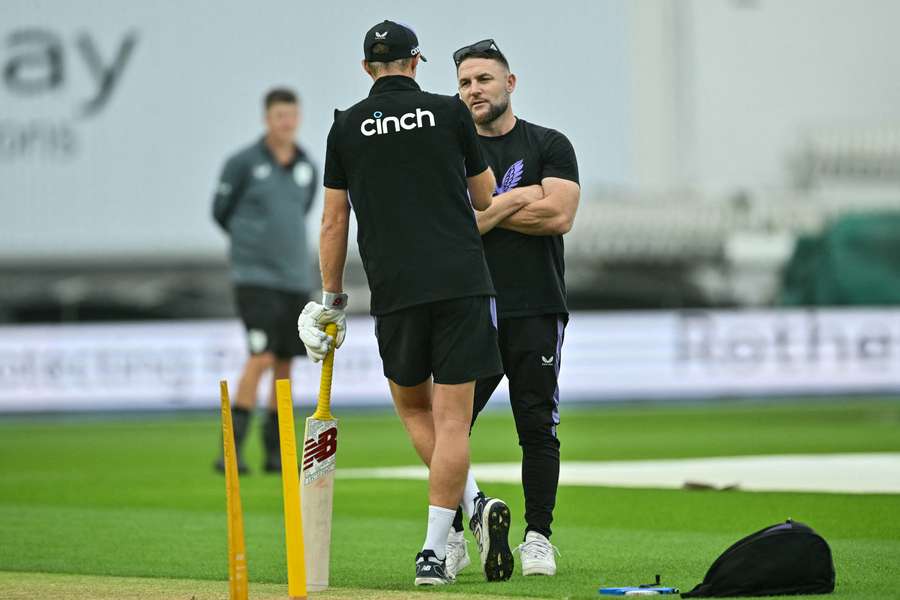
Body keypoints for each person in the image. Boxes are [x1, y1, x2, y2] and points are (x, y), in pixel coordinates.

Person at [296, 21, 514, 586]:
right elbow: (485, 196)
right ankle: (436, 550)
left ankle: (468, 516)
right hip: (462, 281)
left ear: (367, 68)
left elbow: (333, 220)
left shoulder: (344, 127)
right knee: (453, 422)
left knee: (416, 412)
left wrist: (330, 300)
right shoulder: (449, 112)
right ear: (416, 63)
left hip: (395, 290)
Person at [446, 39, 580, 578]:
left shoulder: (549, 143)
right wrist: (520, 197)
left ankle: (538, 538)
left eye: (483, 79)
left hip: (537, 305)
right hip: (471, 309)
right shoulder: (452, 153)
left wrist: (488, 210)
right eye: (464, 83)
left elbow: (561, 216)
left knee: (537, 426)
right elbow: (459, 226)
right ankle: (454, 535)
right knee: (450, 428)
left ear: (510, 83)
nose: (474, 90)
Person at [211, 88, 317, 474]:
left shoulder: (306, 164)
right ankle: (231, 450)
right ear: (267, 119)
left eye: (291, 115)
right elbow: (220, 212)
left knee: (286, 363)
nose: (286, 123)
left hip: (294, 278)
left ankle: (276, 453)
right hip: (255, 278)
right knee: (261, 356)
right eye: (279, 116)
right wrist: (252, 246)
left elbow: (301, 209)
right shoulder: (242, 163)